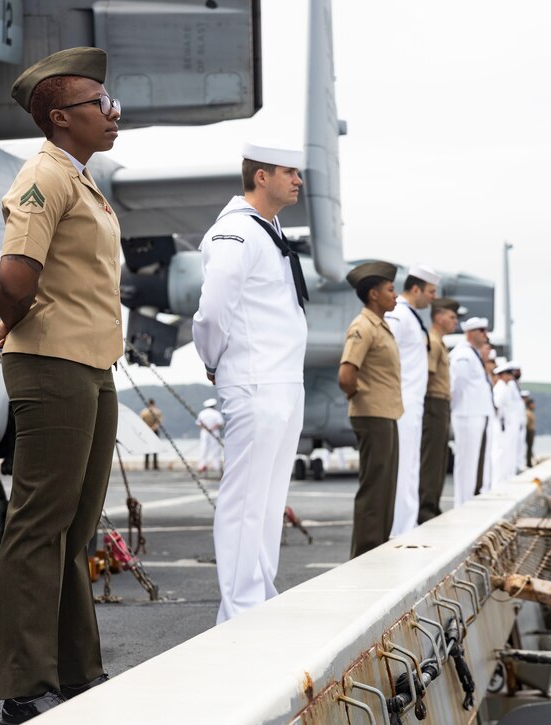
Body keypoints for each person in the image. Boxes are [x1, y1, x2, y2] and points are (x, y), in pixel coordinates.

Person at [0, 47, 121, 723]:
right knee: (39, 523)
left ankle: (75, 669)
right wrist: (13, 322)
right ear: (62, 117)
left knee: (76, 527)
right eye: (101, 103)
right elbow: (15, 274)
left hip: (90, 366)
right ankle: (23, 679)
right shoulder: (44, 177)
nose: (113, 113)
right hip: (53, 364)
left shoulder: (81, 179)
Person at [191, 142, 308, 624]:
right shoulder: (236, 232)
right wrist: (214, 359)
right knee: (243, 503)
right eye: (289, 171)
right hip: (255, 382)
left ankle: (259, 599)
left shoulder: (270, 230)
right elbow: (214, 308)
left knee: (268, 500)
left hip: (283, 382)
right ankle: (238, 613)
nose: (298, 180)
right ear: (261, 177)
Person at [338, 261, 402, 558]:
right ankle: (364, 555)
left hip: (386, 414)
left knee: (386, 488)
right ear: (374, 294)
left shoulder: (380, 326)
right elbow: (346, 375)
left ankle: (378, 549)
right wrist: (361, 398)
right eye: (390, 289)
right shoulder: (363, 327)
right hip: (371, 415)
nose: (396, 295)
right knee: (374, 488)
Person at [385, 265, 439, 537]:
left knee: (411, 466)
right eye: (430, 291)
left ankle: (408, 524)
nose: (433, 297)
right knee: (403, 467)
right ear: (415, 289)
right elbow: (384, 351)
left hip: (413, 401)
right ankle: (399, 529)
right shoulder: (398, 315)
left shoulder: (411, 316)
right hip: (402, 400)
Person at [418, 298, 458, 523]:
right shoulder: (432, 342)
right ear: (439, 317)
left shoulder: (439, 342)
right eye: (452, 317)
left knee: (440, 458)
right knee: (431, 459)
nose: (455, 322)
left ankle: (431, 505)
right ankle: (426, 509)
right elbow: (428, 376)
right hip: (433, 402)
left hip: (441, 403)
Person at [449, 317, 494, 504]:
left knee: (472, 461)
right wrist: (458, 408)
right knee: (465, 462)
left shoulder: (472, 354)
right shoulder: (463, 355)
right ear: (470, 333)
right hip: (466, 414)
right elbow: (457, 385)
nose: (485, 334)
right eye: (481, 330)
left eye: (485, 330)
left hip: (474, 413)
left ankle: (467, 499)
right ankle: (462, 501)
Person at [491, 362, 520, 484]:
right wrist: (501, 421)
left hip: (506, 424)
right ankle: (497, 480)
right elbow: (497, 406)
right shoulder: (501, 388)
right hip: (501, 424)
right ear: (501, 375)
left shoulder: (506, 387)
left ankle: (505, 476)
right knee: (500, 452)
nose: (511, 376)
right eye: (508, 373)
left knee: (506, 451)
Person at [196, 398, 225, 474]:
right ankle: (216, 466)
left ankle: (201, 465)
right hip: (214, 432)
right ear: (213, 406)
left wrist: (206, 428)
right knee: (215, 449)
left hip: (204, 432)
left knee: (203, 449)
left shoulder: (202, 413)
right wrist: (212, 428)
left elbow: (199, 424)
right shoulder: (216, 413)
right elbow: (220, 423)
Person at [139, 399, 163, 470]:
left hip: (147, 430)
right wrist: (153, 428)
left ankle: (147, 465)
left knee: (149, 448)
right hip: (153, 430)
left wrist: (148, 428)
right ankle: (154, 465)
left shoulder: (144, 412)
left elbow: (141, 421)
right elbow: (159, 422)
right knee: (153, 448)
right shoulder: (158, 412)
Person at [523, 393, 536, 468]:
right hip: (529, 431)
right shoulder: (527, 413)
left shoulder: (530, 412)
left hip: (531, 431)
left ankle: (529, 461)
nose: (534, 406)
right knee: (529, 447)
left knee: (530, 448)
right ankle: (528, 462)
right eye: (532, 404)